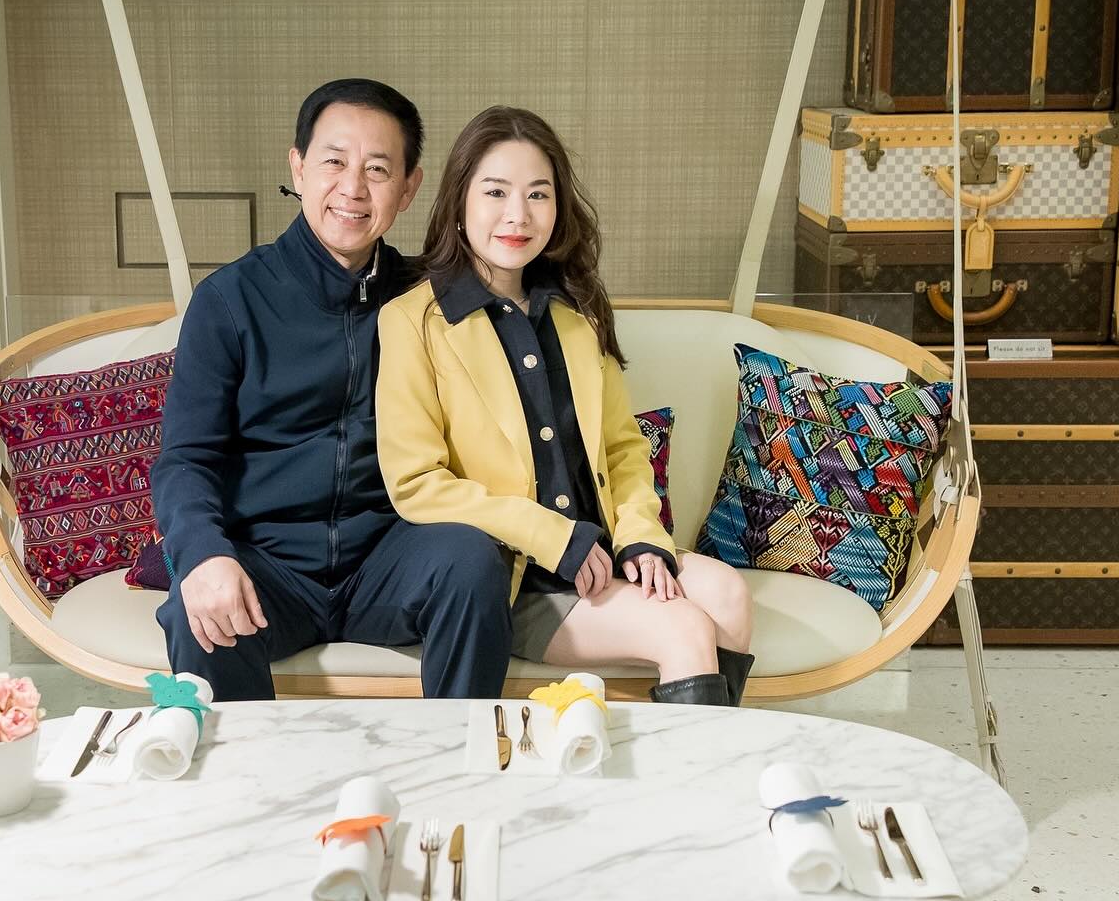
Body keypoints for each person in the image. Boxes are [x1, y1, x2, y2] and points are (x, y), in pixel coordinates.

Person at [375, 106, 755, 705]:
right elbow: (417, 483)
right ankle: (686, 766)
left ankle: (695, 757)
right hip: (518, 577)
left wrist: (642, 537)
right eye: (495, 192)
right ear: (458, 202)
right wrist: (555, 538)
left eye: (538, 194)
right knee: (682, 626)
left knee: (728, 594)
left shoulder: (577, 312)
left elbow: (623, 449)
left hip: (603, 555)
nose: (518, 215)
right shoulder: (413, 321)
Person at [151, 79, 514, 702]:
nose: (353, 188)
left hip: (389, 557)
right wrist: (205, 555)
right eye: (334, 162)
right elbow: (185, 458)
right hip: (267, 564)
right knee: (196, 612)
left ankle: (463, 757)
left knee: (471, 560)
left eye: (378, 169)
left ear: (408, 188)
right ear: (298, 168)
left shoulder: (428, 299)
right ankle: (246, 770)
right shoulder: (230, 299)